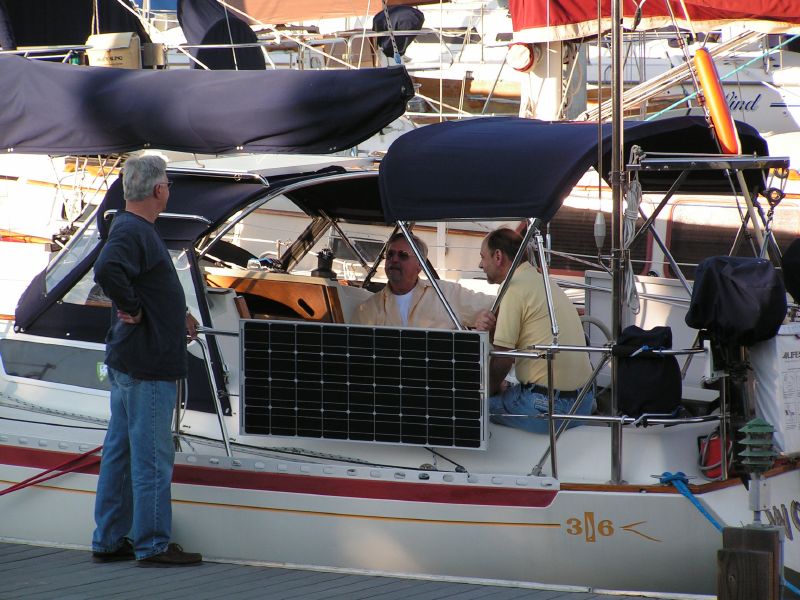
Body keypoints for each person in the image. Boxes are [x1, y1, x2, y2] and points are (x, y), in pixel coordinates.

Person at [91, 155, 202, 567]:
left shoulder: (131, 227)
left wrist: (177, 313)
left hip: (129, 359)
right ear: (158, 190)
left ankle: (108, 538)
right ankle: (153, 543)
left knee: (119, 453)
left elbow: (147, 281)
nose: (168, 189)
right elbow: (108, 268)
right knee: (152, 456)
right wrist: (132, 306)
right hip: (147, 362)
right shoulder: (135, 231)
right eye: (168, 184)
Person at [474, 227, 593, 434]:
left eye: (483, 257)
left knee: (473, 407)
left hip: (547, 409)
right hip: (583, 402)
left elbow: (503, 359)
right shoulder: (543, 282)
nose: (480, 264)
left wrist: (487, 391)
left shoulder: (513, 289)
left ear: (498, 256)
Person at [352, 232, 494, 329]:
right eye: (390, 254)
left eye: (403, 255)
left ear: (420, 264)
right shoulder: (367, 311)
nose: (394, 259)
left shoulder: (447, 294)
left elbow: (497, 305)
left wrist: (485, 321)